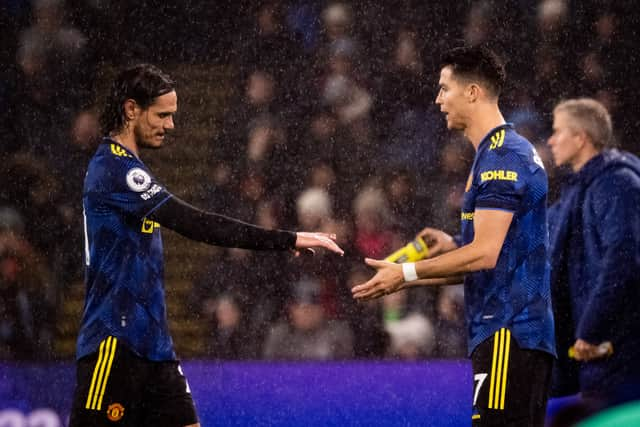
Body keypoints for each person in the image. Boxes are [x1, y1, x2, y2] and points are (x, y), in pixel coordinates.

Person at [69, 63, 343, 427]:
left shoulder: (133, 168)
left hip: (154, 347)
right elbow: (195, 223)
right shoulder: (113, 169)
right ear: (131, 109)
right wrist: (285, 239)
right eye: (162, 115)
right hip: (114, 345)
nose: (170, 125)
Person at [352, 46, 556, 426]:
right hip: (509, 333)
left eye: (445, 88)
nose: (438, 99)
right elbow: (495, 256)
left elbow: (486, 254)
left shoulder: (502, 157)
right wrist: (439, 258)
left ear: (473, 92)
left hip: (508, 333)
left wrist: (407, 273)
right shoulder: (494, 154)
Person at [546, 98, 640, 405]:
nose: (551, 140)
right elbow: (535, 229)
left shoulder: (617, 184)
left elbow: (622, 260)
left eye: (558, 131)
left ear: (581, 137)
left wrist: (591, 326)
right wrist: (460, 240)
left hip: (620, 345)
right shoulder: (580, 190)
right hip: (599, 349)